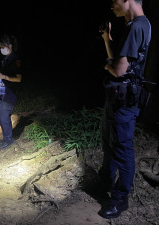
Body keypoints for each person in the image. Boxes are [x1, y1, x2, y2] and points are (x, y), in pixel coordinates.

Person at [98, 0, 151, 219]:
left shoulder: (137, 26)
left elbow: (118, 70)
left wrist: (108, 66)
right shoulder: (137, 25)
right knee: (110, 142)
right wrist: (107, 40)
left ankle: (121, 198)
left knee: (122, 148)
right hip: (119, 99)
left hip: (124, 102)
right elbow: (120, 61)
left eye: (114, 1)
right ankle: (106, 179)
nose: (111, 5)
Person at [0, 34, 22, 150]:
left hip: (10, 93)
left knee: (4, 117)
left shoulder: (16, 60)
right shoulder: (4, 60)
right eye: (0, 47)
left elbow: (18, 78)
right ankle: (6, 137)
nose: (1, 49)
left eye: (3, 46)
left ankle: (8, 140)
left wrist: (4, 76)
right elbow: (1, 73)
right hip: (0, 91)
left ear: (10, 46)